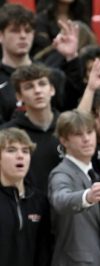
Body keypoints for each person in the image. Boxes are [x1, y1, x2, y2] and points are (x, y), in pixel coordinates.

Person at [48, 110, 100, 266]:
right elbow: (61, 199)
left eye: (90, 132)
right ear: (64, 140)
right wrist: (87, 196)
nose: (86, 139)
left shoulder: (95, 173)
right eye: (78, 134)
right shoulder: (61, 173)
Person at [0, 3, 82, 122]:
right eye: (15, 31)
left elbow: (72, 109)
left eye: (28, 30)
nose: (23, 36)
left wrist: (72, 58)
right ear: (1, 35)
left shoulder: (51, 75)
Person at [0, 127, 51, 266]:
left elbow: (42, 262)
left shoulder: (39, 201)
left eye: (25, 151)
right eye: (11, 150)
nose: (20, 156)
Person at [2, 63, 62, 194]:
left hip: (67, 208)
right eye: (29, 87)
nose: (37, 90)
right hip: (28, 208)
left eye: (42, 84)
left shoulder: (67, 127)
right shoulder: (7, 133)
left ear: (52, 89)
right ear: (19, 96)